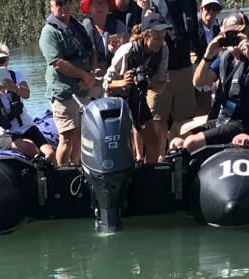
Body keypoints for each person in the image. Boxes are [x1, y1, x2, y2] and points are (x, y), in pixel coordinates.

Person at [171, 11, 249, 153]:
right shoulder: (224, 58)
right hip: (224, 119)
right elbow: (198, 82)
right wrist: (208, 55)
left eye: (237, 34)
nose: (233, 39)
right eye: (228, 35)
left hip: (245, 122)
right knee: (178, 137)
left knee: (190, 142)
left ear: (248, 32)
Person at [104, 14, 170, 163]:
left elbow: (160, 87)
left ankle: (149, 177)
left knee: (153, 143)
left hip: (138, 99)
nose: (161, 42)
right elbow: (106, 83)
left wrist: (149, 83)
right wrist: (122, 82)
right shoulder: (126, 51)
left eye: (163, 37)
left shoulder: (163, 50)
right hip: (118, 102)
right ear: (146, 36)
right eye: (157, 38)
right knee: (123, 146)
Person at [40, 0, 97, 166]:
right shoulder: (49, 32)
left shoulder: (77, 26)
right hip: (63, 92)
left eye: (66, 2)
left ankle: (77, 168)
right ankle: (62, 173)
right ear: (51, 6)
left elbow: (90, 51)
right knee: (67, 137)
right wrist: (83, 75)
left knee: (80, 134)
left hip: (82, 91)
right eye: (58, 3)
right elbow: (57, 63)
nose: (62, 6)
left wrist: (91, 74)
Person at [0, 43, 55, 160]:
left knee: (50, 153)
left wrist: (14, 87)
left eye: (1, 60)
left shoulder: (17, 76)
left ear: (7, 61)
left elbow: (26, 94)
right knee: (30, 148)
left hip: (25, 125)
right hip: (2, 133)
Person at [143, 0, 204, 144]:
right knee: (158, 119)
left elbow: (195, 29)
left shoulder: (189, 2)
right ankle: (160, 159)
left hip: (185, 67)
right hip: (159, 69)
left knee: (185, 118)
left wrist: (200, 55)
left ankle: (179, 157)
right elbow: (145, 33)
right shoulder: (153, 2)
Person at [84, 0, 131, 98]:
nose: (100, 6)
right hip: (91, 86)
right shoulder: (82, 29)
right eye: (97, 3)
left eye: (103, 3)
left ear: (108, 7)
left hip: (114, 84)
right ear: (90, 7)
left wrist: (118, 51)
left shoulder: (120, 27)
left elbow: (129, 52)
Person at [195, 0, 222, 114]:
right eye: (208, 8)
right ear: (201, 9)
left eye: (214, 8)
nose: (211, 12)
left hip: (210, 73)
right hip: (195, 72)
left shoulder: (218, 28)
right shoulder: (193, 27)